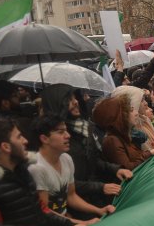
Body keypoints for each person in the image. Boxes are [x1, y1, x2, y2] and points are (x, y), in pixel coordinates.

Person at [0, 119, 83, 226]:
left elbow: (42, 211)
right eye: (19, 137)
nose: (25, 141)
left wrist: (72, 224)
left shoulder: (22, 170)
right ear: (6, 147)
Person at [39, 84, 127, 218]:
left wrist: (116, 169)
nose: (75, 102)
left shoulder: (85, 127)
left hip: (94, 199)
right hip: (75, 209)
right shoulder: (53, 143)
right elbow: (67, 185)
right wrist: (100, 187)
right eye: (69, 99)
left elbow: (92, 159)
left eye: (75, 98)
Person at [28, 115, 115, 220]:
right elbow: (45, 213)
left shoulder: (66, 158)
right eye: (61, 132)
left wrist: (99, 210)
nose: (68, 135)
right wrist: (80, 223)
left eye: (66, 131)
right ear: (44, 138)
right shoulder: (37, 168)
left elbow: (71, 196)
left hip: (65, 220)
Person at [93, 96, 154, 170]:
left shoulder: (123, 135)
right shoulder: (112, 140)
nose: (136, 113)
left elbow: (137, 157)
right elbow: (128, 169)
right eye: (131, 110)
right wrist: (151, 153)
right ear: (119, 117)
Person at [111, 85, 154, 152]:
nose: (146, 103)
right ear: (132, 104)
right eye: (141, 100)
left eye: (144, 99)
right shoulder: (130, 129)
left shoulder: (145, 119)